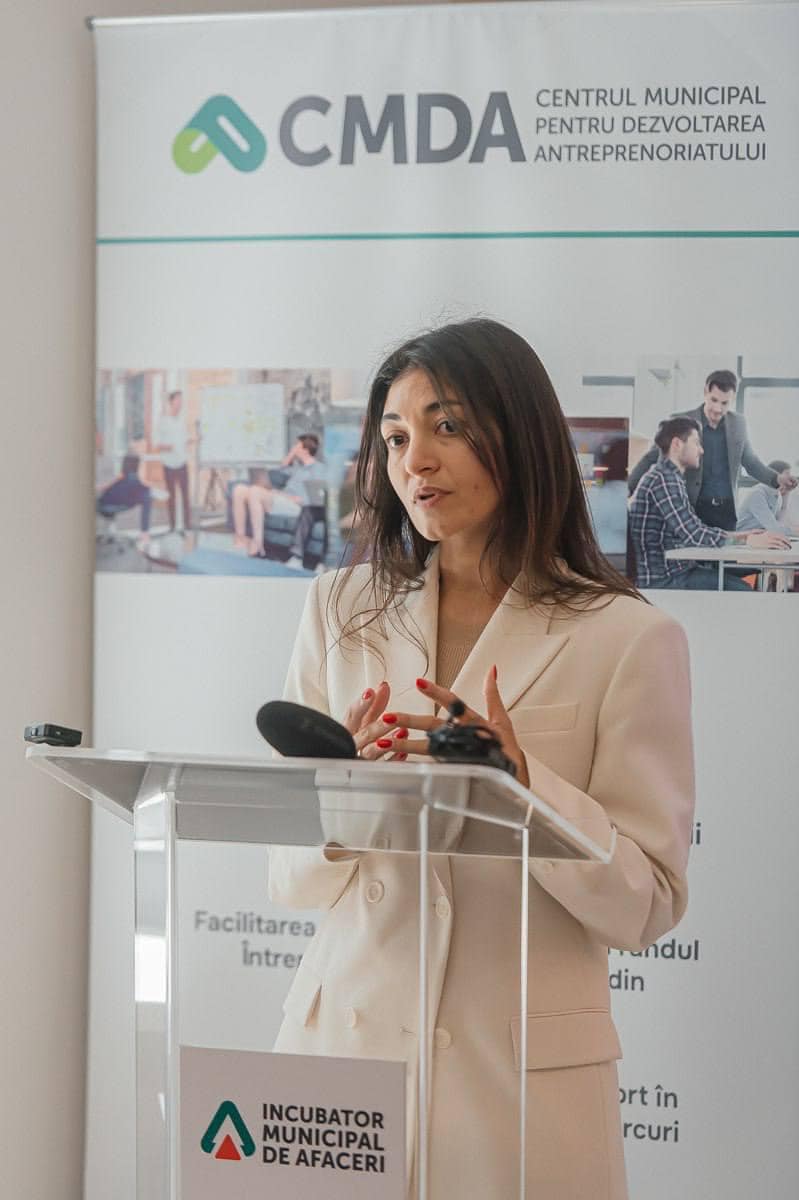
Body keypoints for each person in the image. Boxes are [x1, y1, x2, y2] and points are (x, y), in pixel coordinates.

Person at [268, 319, 697, 1199]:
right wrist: (350, 797)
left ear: (520, 433)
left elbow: (646, 903)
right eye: (395, 437)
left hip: (519, 1094)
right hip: (342, 1063)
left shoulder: (628, 638)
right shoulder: (338, 610)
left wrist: (524, 785)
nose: (415, 460)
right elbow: (288, 880)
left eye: (448, 426)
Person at [629, 417, 790, 590]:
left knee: (746, 571)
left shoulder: (669, 477)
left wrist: (742, 536)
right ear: (677, 444)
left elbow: (692, 531)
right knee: (742, 589)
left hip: (677, 568)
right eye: (696, 443)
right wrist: (747, 539)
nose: (701, 450)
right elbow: (694, 534)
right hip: (664, 577)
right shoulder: (664, 480)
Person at [628, 369, 797, 530]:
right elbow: (652, 457)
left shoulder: (738, 424)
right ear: (705, 392)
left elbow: (751, 462)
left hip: (726, 512)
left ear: (733, 399)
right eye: (714, 400)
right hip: (692, 507)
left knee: (724, 549)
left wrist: (777, 479)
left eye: (724, 403)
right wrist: (628, 488)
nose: (717, 409)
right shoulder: (682, 421)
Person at [280, 434, 329, 570]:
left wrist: (299, 500)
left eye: (297, 446)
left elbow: (320, 496)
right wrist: (291, 454)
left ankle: (300, 558)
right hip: (287, 501)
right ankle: (296, 558)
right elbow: (281, 470)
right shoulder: (297, 468)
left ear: (305, 449)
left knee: (308, 510)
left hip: (308, 506)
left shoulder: (320, 469)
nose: (294, 448)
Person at [229, 468, 303, 557]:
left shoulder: (316, 470)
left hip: (297, 505)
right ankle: (241, 538)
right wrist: (275, 492)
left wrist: (286, 496)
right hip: (282, 497)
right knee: (239, 490)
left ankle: (258, 543)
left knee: (255, 491)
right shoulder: (296, 468)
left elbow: (306, 500)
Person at [155, 389, 192, 533]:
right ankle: (172, 526)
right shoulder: (163, 421)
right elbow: (157, 444)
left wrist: (194, 439)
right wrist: (167, 446)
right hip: (169, 464)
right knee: (171, 496)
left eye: (181, 400)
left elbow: (185, 440)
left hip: (182, 462)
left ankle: (187, 525)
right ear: (171, 402)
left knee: (185, 495)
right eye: (177, 400)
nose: (180, 403)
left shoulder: (182, 422)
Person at [96, 453, 152, 544]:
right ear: (137, 465)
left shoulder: (121, 476)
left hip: (102, 505)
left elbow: (103, 488)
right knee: (147, 498)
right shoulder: (137, 482)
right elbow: (145, 491)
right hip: (121, 505)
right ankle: (144, 533)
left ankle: (144, 533)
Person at [737, 460, 799, 536]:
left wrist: (786, 495)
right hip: (740, 539)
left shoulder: (774, 494)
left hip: (756, 537)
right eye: (787, 475)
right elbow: (775, 529)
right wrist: (794, 531)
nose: (790, 480)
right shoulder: (757, 494)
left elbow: (779, 523)